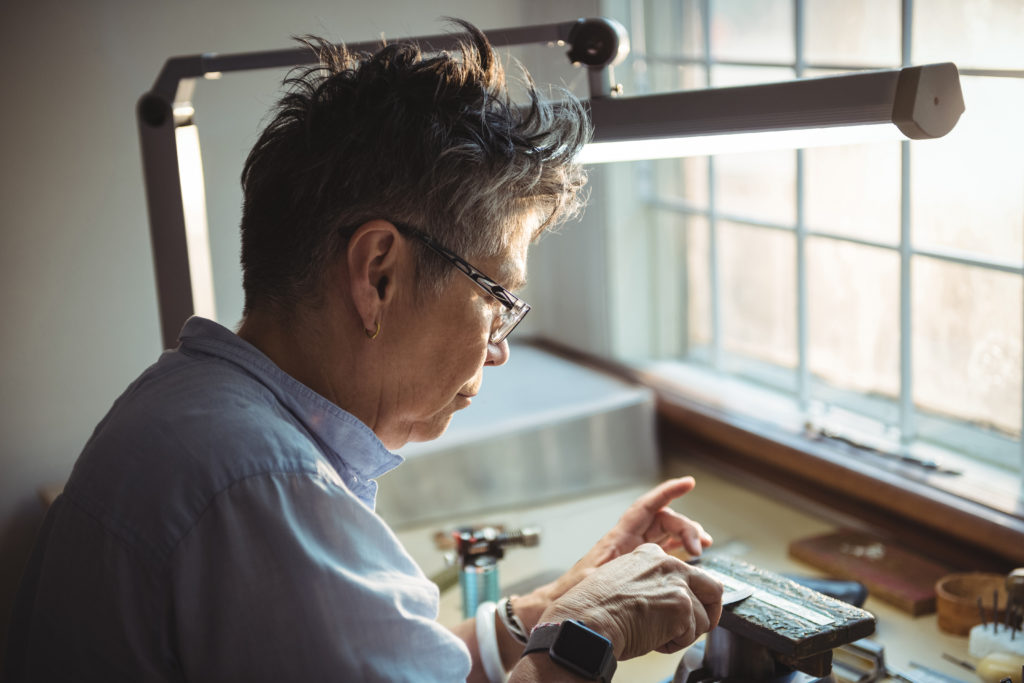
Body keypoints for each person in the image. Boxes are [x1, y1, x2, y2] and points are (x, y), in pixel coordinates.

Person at [3, 20, 723, 682]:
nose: (499, 351)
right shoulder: (263, 486)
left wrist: (549, 608)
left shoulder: (191, 412)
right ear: (378, 273)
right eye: (497, 297)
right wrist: (592, 626)